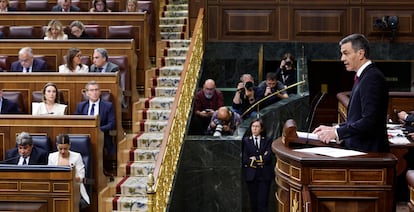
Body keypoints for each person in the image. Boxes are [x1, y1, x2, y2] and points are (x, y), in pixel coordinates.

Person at [313, 33, 389, 153]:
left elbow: (369, 121)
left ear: (360, 53)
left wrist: (337, 133)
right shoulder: (364, 76)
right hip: (360, 149)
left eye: (346, 53)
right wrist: (334, 128)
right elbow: (357, 118)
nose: (342, 58)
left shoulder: (372, 78)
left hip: (368, 154)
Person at [48, 134, 90, 208]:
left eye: (65, 148)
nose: (63, 151)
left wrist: (73, 177)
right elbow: (49, 174)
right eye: (60, 149)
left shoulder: (77, 156)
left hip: (74, 188)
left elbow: (81, 176)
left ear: (69, 145)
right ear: (57, 145)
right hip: (56, 188)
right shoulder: (52, 156)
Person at [75, 81, 116, 156]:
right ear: (87, 93)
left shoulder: (108, 106)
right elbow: (76, 122)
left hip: (102, 136)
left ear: (100, 92)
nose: (94, 92)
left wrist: (97, 130)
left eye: (96, 90)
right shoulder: (81, 106)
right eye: (92, 90)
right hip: (84, 136)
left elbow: (112, 124)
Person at [242, 118, 273, 212]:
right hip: (251, 176)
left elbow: (268, 157)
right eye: (253, 126)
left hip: (264, 175)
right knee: (253, 203)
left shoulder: (267, 140)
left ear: (261, 129)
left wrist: (255, 159)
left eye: (257, 126)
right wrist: (261, 158)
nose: (254, 129)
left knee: (263, 203)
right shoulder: (246, 141)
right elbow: (245, 159)